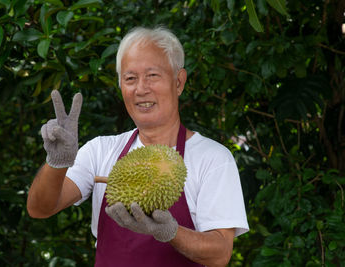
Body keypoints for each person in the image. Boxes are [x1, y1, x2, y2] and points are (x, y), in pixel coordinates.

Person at [27, 26, 249, 267]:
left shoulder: (213, 159)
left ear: (179, 82)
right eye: (130, 78)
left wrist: (171, 232)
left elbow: (220, 254)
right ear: (121, 85)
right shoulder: (100, 151)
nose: (141, 89)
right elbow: (40, 209)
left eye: (153, 76)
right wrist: (56, 163)